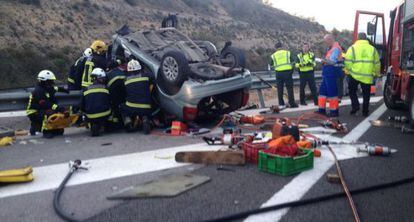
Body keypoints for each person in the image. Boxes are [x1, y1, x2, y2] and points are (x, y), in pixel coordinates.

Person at [344, 33, 381, 117]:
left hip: (354, 74)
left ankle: (355, 107)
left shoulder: (352, 48)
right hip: (367, 75)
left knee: (352, 91)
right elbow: (377, 63)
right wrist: (376, 73)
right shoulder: (373, 49)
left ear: (358, 38)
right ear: (366, 38)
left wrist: (349, 71)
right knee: (366, 94)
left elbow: (348, 61)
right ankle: (365, 111)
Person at [26, 70, 68, 138]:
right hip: (34, 112)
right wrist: (58, 108)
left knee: (54, 113)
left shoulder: (47, 88)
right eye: (50, 81)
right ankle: (46, 131)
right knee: (49, 113)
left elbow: (55, 88)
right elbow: (44, 103)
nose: (52, 83)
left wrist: (65, 89)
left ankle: (54, 129)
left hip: (41, 109)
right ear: (44, 81)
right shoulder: (38, 91)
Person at [120, 60, 153, 134]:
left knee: (122, 107)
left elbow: (124, 93)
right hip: (146, 106)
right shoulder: (146, 76)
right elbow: (152, 79)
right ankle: (145, 119)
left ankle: (128, 122)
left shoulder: (125, 80)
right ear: (139, 68)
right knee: (148, 109)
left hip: (131, 107)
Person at [317, 34, 343, 117]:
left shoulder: (335, 48)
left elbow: (332, 62)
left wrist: (323, 60)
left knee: (332, 93)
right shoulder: (331, 48)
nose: (325, 43)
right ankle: (321, 110)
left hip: (331, 72)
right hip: (327, 73)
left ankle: (334, 112)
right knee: (322, 92)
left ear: (330, 40)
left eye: (326, 41)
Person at [80, 68, 112, 136]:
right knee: (111, 111)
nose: (104, 80)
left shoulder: (85, 89)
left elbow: (82, 105)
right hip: (104, 114)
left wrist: (84, 112)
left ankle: (93, 125)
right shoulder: (106, 88)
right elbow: (110, 101)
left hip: (90, 115)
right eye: (102, 78)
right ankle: (107, 125)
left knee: (90, 116)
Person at [271, 42, 298, 108]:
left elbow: (271, 66)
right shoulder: (287, 53)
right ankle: (292, 103)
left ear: (276, 48)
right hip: (287, 73)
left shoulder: (273, 55)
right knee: (289, 88)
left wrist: (276, 69)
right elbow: (293, 62)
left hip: (278, 73)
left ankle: (281, 104)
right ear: (282, 47)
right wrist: (291, 70)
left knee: (280, 89)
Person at [106, 59, 127, 128]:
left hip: (113, 91)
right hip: (124, 90)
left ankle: (116, 122)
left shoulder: (108, 74)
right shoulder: (121, 71)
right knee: (123, 103)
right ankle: (126, 120)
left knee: (114, 106)